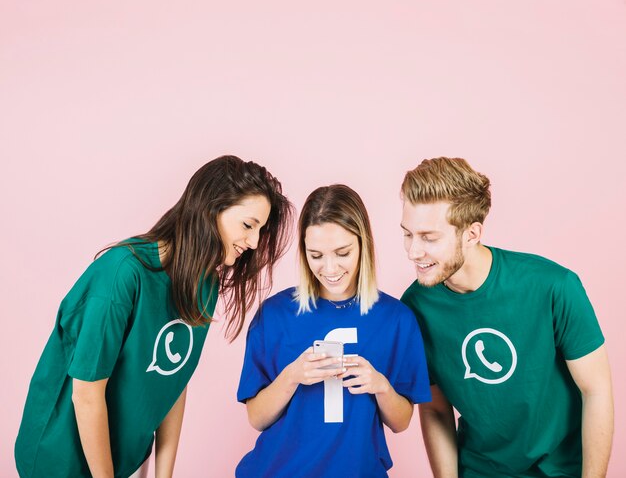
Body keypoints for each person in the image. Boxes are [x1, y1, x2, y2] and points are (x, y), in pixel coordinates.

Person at [15, 155, 294, 478]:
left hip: (122, 460)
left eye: (260, 230)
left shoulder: (204, 283)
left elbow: (174, 379)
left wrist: (164, 474)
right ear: (210, 208)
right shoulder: (122, 274)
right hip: (58, 461)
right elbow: (86, 394)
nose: (255, 242)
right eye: (248, 225)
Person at [399, 157, 614, 478]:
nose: (413, 251)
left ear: (472, 234)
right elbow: (435, 410)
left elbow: (596, 390)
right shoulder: (415, 306)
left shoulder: (554, 286)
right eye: (407, 234)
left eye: (429, 237)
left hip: (561, 471)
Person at [236, 184, 431, 478]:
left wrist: (379, 385)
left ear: (363, 244)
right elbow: (257, 418)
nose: (329, 268)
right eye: (315, 255)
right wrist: (292, 376)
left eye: (342, 253)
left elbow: (402, 421)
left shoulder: (396, 319)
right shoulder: (275, 315)